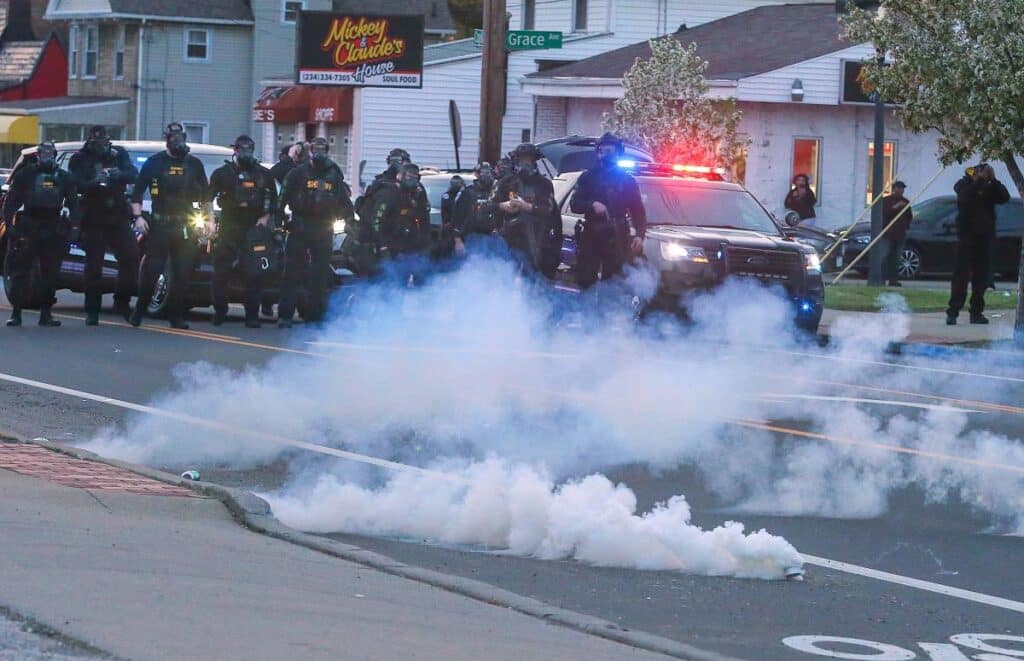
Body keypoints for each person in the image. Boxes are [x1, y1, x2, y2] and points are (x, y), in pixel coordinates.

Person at [130, 122, 209, 329]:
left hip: (185, 225)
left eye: (181, 138)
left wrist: (208, 220)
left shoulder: (194, 164)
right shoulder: (155, 163)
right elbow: (137, 192)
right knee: (152, 270)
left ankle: (176, 316)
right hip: (159, 225)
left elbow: (207, 196)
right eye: (174, 138)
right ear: (167, 139)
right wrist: (138, 217)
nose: (178, 142)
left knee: (182, 273)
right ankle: (139, 309)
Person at [277, 136, 352, 328]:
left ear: (327, 151)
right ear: (310, 152)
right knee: (292, 272)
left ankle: (314, 315)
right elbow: (282, 199)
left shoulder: (334, 174)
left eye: (323, 150)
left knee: (319, 275)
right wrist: (280, 222)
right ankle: (285, 315)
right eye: (315, 149)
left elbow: (343, 201)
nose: (319, 153)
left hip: (323, 228)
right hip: (300, 226)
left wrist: (350, 222)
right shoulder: (297, 173)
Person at [68, 126, 139, 325]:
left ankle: (122, 301)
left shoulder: (119, 154)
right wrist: (93, 181)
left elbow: (133, 173)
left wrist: (119, 174)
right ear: (90, 142)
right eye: (97, 142)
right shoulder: (80, 159)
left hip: (117, 214)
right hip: (93, 215)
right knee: (94, 265)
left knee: (131, 256)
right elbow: (74, 184)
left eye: (105, 141)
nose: (102, 145)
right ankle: (92, 311)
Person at [3, 141, 79, 327]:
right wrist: (10, 225)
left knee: (50, 273)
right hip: (29, 225)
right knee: (20, 272)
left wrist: (75, 228)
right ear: (38, 155)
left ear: (54, 155)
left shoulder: (64, 177)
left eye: (50, 153)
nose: (47, 156)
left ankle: (46, 314)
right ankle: (16, 313)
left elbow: (73, 203)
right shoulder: (25, 175)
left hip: (53, 226)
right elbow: (11, 200)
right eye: (43, 153)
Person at [207, 135, 278, 328]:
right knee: (221, 271)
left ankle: (252, 316)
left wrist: (264, 219)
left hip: (253, 228)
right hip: (230, 225)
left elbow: (273, 200)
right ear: (235, 150)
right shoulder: (223, 173)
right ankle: (220, 310)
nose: (246, 153)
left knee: (254, 274)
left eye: (249, 149)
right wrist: (210, 220)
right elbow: (208, 198)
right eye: (242, 149)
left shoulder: (263, 174)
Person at [569, 133, 647, 288]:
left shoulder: (627, 180)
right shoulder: (588, 177)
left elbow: (637, 210)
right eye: (602, 151)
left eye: (610, 151)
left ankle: (609, 310)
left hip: (617, 234)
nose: (605, 155)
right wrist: (592, 204)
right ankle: (586, 309)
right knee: (586, 277)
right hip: (592, 233)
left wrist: (639, 234)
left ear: (618, 153)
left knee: (614, 280)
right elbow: (575, 204)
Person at [947, 163, 1009, 325]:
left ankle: (976, 313)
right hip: (966, 238)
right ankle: (953, 312)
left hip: (985, 238)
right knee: (960, 277)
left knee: (981, 278)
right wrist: (976, 181)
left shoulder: (990, 188)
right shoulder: (964, 184)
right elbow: (964, 197)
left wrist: (993, 180)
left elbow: (1004, 197)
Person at [494, 143, 561, 278]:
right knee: (507, 280)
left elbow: (549, 209)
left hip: (538, 241)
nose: (525, 163)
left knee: (535, 282)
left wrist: (527, 206)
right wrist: (503, 206)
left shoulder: (544, 183)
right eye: (521, 159)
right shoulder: (506, 182)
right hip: (511, 241)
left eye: (528, 159)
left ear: (534, 161)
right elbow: (491, 206)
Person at [367, 163, 432, 281]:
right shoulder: (388, 194)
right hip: (389, 247)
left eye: (414, 177)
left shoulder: (418, 194)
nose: (411, 180)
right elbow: (377, 222)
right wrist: (383, 247)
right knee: (389, 283)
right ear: (400, 176)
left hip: (409, 247)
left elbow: (424, 220)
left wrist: (424, 245)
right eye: (408, 176)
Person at [451, 162, 500, 249]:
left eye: (489, 172)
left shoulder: (496, 191)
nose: (486, 175)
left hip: (492, 238)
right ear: (476, 174)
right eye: (483, 172)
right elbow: (457, 217)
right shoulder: (467, 192)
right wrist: (457, 240)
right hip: (471, 237)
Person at [880, 181, 913, 287]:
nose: (901, 190)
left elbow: (909, 216)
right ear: (894, 189)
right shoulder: (886, 201)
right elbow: (884, 215)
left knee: (897, 257)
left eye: (902, 188)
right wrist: (895, 208)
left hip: (900, 234)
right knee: (885, 256)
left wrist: (906, 226)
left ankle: (893, 280)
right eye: (899, 188)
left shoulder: (905, 202)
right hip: (888, 234)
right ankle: (881, 279)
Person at [435, 174, 465, 258]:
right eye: (454, 184)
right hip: (448, 231)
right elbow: (448, 213)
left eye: (459, 184)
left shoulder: (466, 195)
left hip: (464, 231)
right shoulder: (446, 196)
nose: (457, 186)